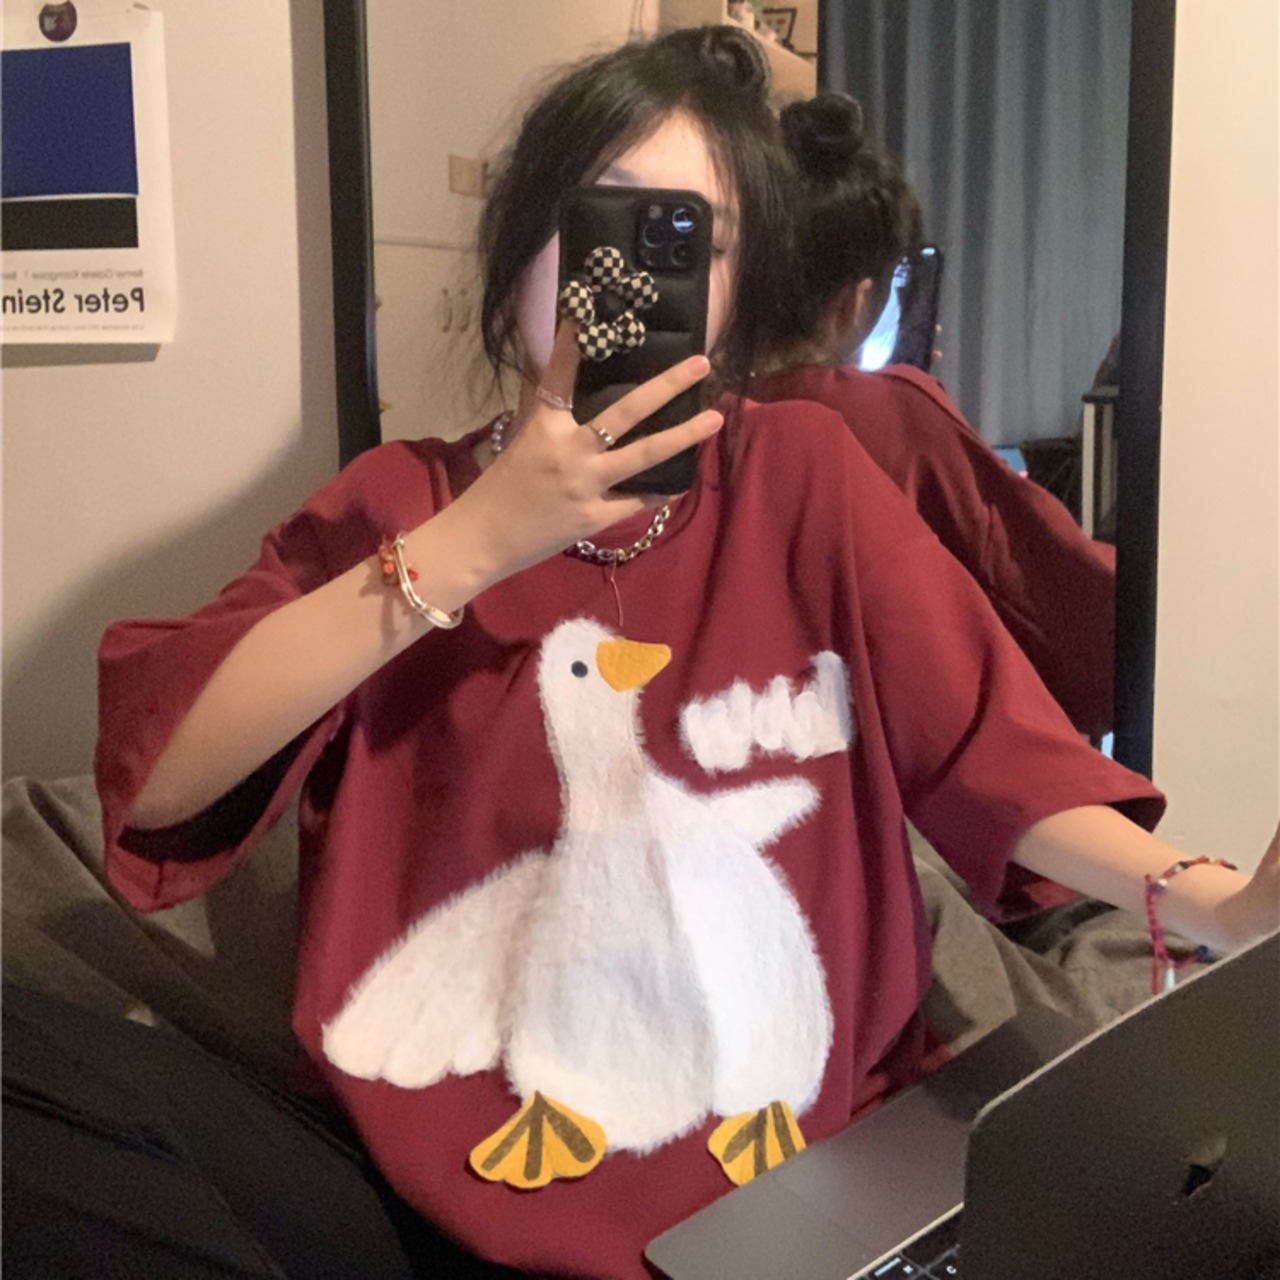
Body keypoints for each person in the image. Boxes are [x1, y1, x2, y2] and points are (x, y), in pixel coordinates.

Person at [11, 26, 1276, 1280]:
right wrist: (475, 540)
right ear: (519, 240)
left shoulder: (800, 478)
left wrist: (1213, 903)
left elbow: (990, 753)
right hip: (442, 1196)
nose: (629, 275)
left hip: (792, 1183)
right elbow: (161, 778)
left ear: (732, 292)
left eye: (691, 242)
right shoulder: (404, 501)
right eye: (601, 219)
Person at [752, 91, 1116, 739]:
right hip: (890, 766)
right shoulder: (894, 417)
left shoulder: (686, 415)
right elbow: (1087, 633)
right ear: (856, 303)